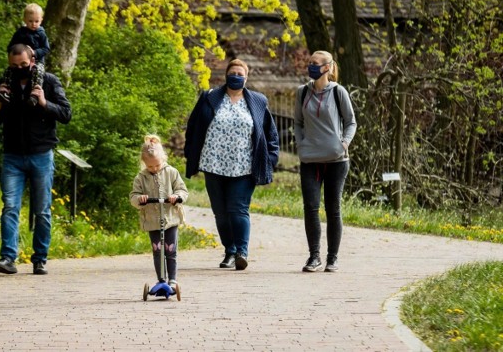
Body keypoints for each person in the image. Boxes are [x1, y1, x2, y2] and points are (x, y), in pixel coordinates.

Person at [184, 59, 279, 271]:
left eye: (240, 73)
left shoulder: (257, 101)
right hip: (213, 164)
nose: (236, 76)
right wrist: (190, 153)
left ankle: (242, 253)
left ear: (246, 77)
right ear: (226, 74)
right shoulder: (210, 97)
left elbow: (270, 133)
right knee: (220, 212)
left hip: (244, 166)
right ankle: (230, 250)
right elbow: (193, 127)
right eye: (232, 72)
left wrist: (270, 159)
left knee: (238, 209)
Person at [0, 44, 72, 275]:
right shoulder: (5, 82)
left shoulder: (49, 81)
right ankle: (7, 258)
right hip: (12, 155)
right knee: (10, 207)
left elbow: (66, 113)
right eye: (14, 66)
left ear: (32, 60)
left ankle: (40, 259)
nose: (19, 69)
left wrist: (45, 103)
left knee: (42, 211)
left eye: (23, 65)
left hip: (41, 154)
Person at [294, 50, 357, 273]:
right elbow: (298, 123)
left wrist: (344, 143)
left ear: (328, 67)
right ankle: (314, 257)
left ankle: (332, 258)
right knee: (311, 208)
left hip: (336, 160)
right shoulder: (302, 92)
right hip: (310, 159)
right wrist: (301, 144)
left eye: (316, 63)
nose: (311, 66)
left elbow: (351, 122)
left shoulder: (339, 92)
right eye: (309, 62)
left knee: (333, 209)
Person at [129, 135, 188, 288]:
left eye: (157, 165)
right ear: (144, 164)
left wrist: (177, 196)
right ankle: (161, 279)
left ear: (163, 158)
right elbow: (133, 196)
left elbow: (182, 190)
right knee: (157, 250)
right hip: (152, 220)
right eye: (150, 167)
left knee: (171, 249)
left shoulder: (172, 172)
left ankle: (172, 280)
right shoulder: (140, 177)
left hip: (170, 218)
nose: (154, 169)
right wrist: (140, 199)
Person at [5, 3, 51, 106]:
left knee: (38, 72)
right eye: (30, 21)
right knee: (8, 71)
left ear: (41, 20)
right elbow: (10, 47)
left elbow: (46, 48)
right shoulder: (20, 33)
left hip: (37, 61)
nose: (34, 24)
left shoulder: (41, 34)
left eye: (37, 21)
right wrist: (19, 50)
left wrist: (34, 52)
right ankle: (6, 91)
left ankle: (35, 93)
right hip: (20, 61)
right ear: (25, 20)